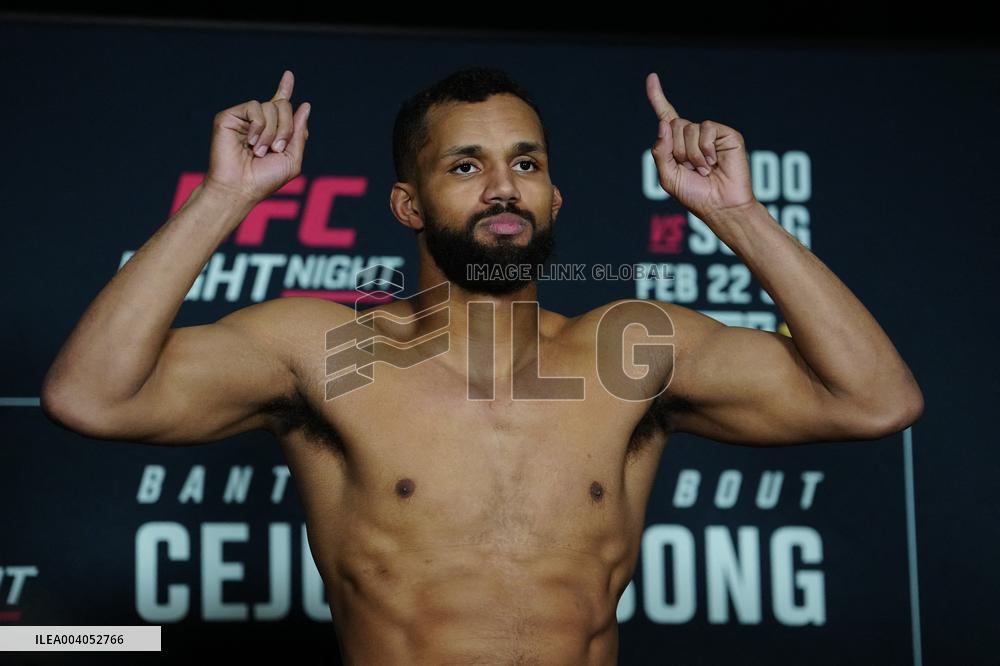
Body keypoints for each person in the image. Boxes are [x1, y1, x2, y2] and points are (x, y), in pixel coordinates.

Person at [40, 66, 924, 664]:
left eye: (525, 163)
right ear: (407, 202)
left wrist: (738, 217)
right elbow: (92, 395)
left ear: (553, 193)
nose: (504, 187)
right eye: (467, 165)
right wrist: (225, 196)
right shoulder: (334, 353)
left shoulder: (628, 349)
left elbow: (874, 400)